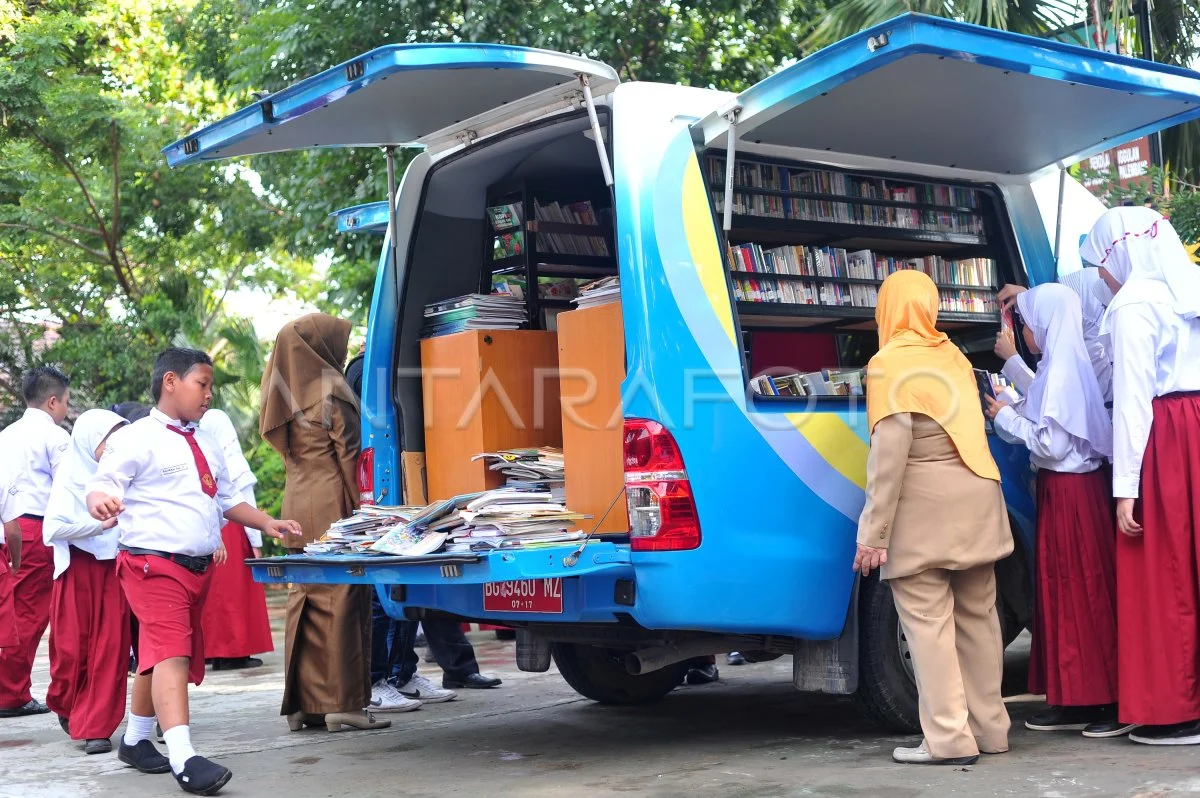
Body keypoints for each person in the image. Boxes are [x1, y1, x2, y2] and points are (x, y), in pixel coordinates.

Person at [87, 347, 303, 794]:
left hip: (197, 569)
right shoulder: (137, 437)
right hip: (151, 564)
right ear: (171, 382)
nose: (208, 395)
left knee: (157, 651)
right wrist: (98, 500)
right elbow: (103, 482)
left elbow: (224, 498)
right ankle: (184, 758)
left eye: (210, 386)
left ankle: (135, 739)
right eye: (201, 384)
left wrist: (266, 522)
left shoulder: (204, 439)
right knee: (172, 652)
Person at [854, 270, 1013, 765]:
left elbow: (889, 456)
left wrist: (873, 533)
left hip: (925, 513)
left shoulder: (889, 364)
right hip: (980, 502)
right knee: (978, 621)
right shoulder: (955, 356)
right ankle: (991, 730)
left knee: (927, 625)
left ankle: (947, 738)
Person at [1079, 206, 1200, 746]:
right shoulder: (1188, 290)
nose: (1101, 278)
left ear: (1118, 254)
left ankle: (1179, 704)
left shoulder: (1133, 307)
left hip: (1167, 436)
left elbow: (1133, 404)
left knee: (1164, 570)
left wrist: (1124, 488)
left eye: (1100, 265)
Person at [984, 284, 1128, 738]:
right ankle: (1072, 696)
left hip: (1071, 495)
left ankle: (1103, 698)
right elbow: (1045, 416)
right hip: (1063, 493)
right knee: (1063, 593)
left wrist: (1004, 417)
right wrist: (1010, 410)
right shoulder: (1060, 367)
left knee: (1082, 592)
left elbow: (1052, 440)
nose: (1024, 333)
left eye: (1026, 324)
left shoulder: (1063, 372)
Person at [260, 314, 389, 734]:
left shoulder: (281, 390)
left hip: (296, 504)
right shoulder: (332, 388)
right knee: (344, 602)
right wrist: (367, 516)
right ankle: (344, 705)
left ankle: (303, 706)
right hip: (334, 503)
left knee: (306, 601)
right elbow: (349, 457)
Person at [43, 409, 131, 755]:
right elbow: (53, 529)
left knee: (110, 650)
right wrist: (99, 527)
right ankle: (66, 703)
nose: (114, 451)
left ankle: (96, 727)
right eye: (109, 443)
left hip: (114, 572)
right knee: (71, 652)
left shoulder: (124, 476)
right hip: (77, 573)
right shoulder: (69, 478)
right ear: (90, 440)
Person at [0, 366, 71, 718]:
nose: (66, 411)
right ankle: (11, 694)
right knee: (28, 615)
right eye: (66, 403)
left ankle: (9, 689)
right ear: (53, 401)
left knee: (8, 613)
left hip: (8, 527)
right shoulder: (55, 437)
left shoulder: (6, 433)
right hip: (35, 529)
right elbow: (69, 488)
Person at [198, 408, 273, 670]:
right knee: (236, 594)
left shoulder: (200, 456)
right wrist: (256, 543)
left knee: (214, 595)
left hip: (211, 529)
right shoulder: (231, 460)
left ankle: (214, 651)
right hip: (235, 527)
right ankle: (235, 652)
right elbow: (244, 500)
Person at [996, 268, 1112, 403]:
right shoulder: (1080, 344)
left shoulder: (1096, 355)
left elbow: (1052, 405)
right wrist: (1029, 301)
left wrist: (1013, 360)